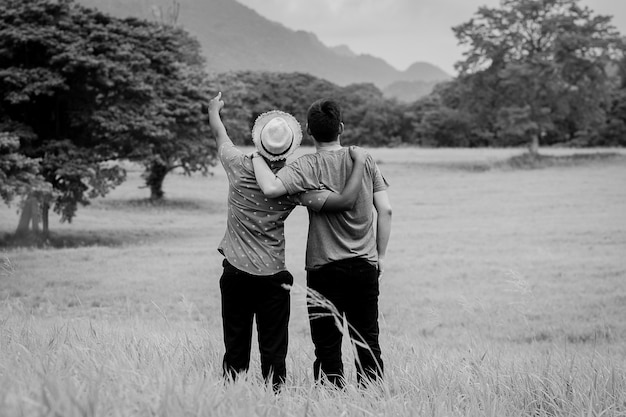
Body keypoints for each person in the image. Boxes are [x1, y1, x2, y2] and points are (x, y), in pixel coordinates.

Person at [206, 92, 368, 390]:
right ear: (290, 146)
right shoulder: (293, 183)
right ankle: (276, 399)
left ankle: (231, 399)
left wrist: (214, 109)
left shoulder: (236, 164)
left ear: (259, 142)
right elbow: (341, 201)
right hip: (273, 278)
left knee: (235, 345)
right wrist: (357, 164)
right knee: (273, 350)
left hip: (235, 273)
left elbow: (220, 134)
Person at [252, 98, 392, 388]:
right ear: (340, 127)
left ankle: (331, 400)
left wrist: (254, 157)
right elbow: (386, 210)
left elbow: (273, 187)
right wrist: (380, 257)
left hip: (323, 268)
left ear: (309, 131)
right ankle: (373, 401)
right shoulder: (363, 160)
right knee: (367, 341)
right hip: (364, 264)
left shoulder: (305, 165)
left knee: (327, 346)